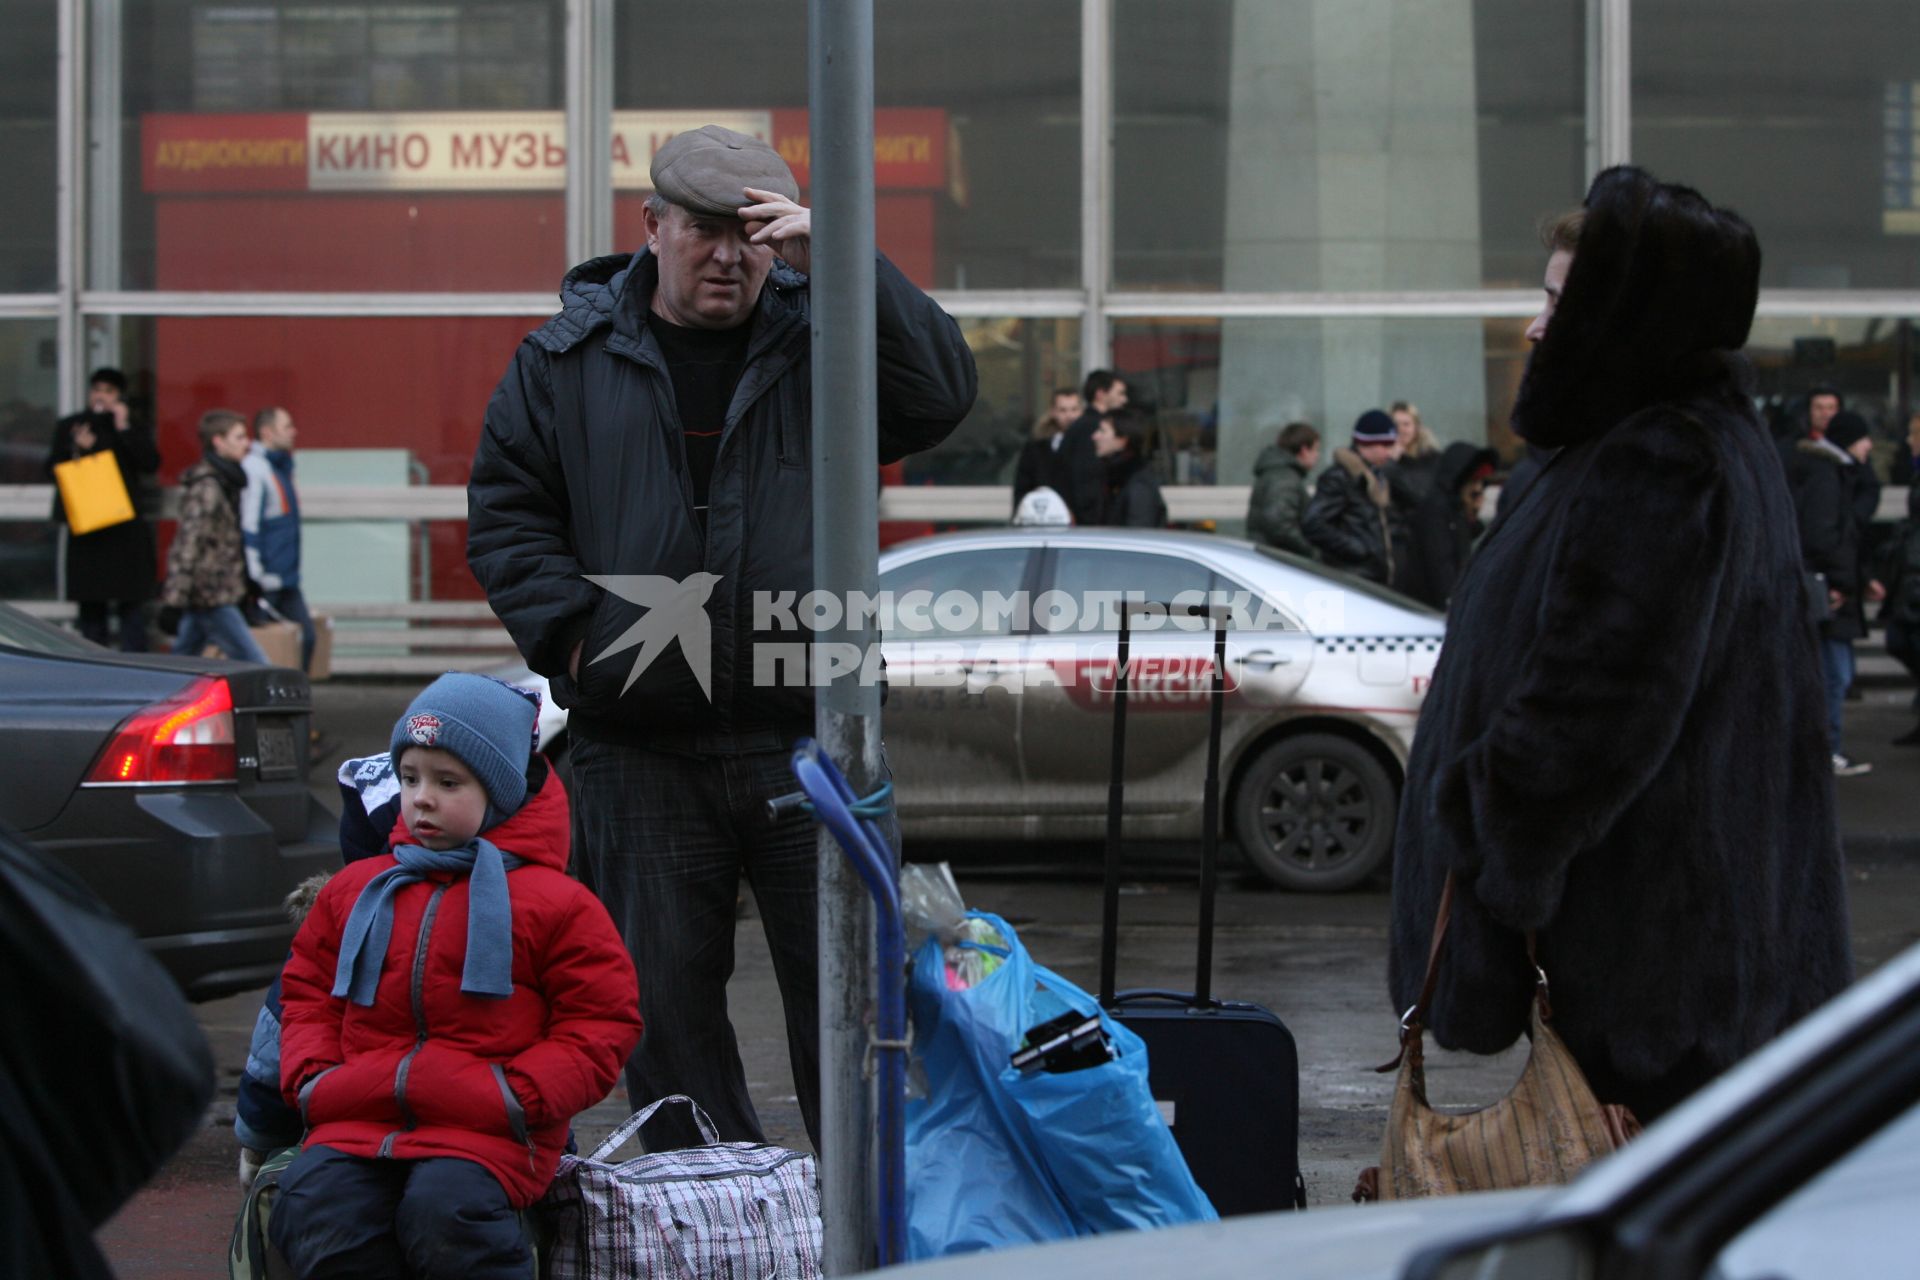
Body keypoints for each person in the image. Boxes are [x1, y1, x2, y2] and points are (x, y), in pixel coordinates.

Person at [467, 124, 976, 1152]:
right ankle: (715, 1233)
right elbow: (508, 513)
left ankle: (856, 1241)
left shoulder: (821, 339)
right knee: (668, 1029)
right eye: (706, 228)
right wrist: (577, 643)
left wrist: (836, 258)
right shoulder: (563, 360)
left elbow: (941, 395)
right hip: (639, 746)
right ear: (652, 227)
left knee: (853, 1017)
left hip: (813, 738)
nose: (731, 254)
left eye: (755, 231)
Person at [1386, 167, 1852, 1127]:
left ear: (1620, 317)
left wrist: (1491, 856)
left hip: (1660, 965)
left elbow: (1594, 710)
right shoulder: (1681, 443)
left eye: (1559, 300)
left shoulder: (1662, 456)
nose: (1536, 325)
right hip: (1689, 951)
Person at [269, 673, 641, 1279]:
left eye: (449, 783)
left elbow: (602, 1021)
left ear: (500, 792)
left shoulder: (555, 903)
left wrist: (519, 1095)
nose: (421, 798)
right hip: (356, 1116)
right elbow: (307, 990)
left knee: (448, 1215)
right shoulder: (357, 891)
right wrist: (315, 1078)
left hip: (488, 1129)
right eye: (409, 778)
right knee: (317, 1210)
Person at [1786, 409, 1882, 775]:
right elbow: (1825, 537)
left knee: (1832, 671)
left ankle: (1825, 749)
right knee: (1834, 673)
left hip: (1828, 586)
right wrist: (1840, 582)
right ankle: (1826, 750)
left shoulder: (1827, 472)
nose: (1870, 445)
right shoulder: (1828, 476)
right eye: (1863, 438)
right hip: (1830, 590)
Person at [46, 367, 160, 651]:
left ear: (120, 397)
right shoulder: (73, 426)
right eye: (97, 389)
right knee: (91, 609)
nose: (101, 396)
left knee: (130, 607)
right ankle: (93, 667)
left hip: (124, 528)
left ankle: (137, 667)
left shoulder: (128, 427)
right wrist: (81, 450)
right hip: (90, 527)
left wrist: (124, 427)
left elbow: (149, 463)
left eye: (109, 391)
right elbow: (53, 468)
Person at [158, 410, 267, 663]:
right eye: (239, 437)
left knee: (182, 661)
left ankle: (160, 696)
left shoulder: (227, 482)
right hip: (212, 595)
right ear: (218, 441)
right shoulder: (208, 487)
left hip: (214, 592)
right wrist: (174, 600)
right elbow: (189, 543)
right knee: (256, 663)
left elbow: (226, 542)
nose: (246, 443)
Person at [241, 406, 315, 672]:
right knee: (265, 652)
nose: (294, 432)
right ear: (267, 432)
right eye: (287, 426)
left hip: (285, 577)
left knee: (305, 639)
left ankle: (296, 707)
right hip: (267, 580)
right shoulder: (256, 469)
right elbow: (249, 525)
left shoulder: (280, 467)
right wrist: (256, 574)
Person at [1301, 409, 1401, 583]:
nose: (1389, 452)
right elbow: (1313, 523)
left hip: (1371, 577)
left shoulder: (1376, 476)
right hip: (1353, 578)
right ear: (1367, 444)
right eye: (1385, 445)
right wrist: (1358, 549)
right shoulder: (1340, 478)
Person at [1395, 441, 1496, 610]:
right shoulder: (1436, 511)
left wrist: (1472, 513)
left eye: (1482, 484)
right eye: (1474, 484)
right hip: (1427, 607)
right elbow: (1441, 568)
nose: (1478, 489)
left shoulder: (1456, 511)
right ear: (1460, 481)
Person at [1054, 369, 1130, 526]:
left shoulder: (1084, 425)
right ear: (1101, 394)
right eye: (1119, 393)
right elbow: (1087, 480)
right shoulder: (1090, 427)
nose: (1124, 400)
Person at [1245, 422, 1320, 556]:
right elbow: (1280, 525)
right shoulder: (1284, 478)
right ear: (1304, 450)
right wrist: (1311, 551)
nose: (1317, 455)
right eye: (1315, 449)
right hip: (1278, 561)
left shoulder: (1278, 473)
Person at [1012, 387, 1082, 512]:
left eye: (1074, 409)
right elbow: (1023, 485)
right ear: (1053, 412)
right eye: (1063, 410)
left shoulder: (1091, 442)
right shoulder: (1036, 446)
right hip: (1042, 515)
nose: (1069, 416)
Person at [1093, 409, 1166, 527]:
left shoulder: (1138, 483)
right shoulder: (1114, 475)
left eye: (1103, 431)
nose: (1095, 436)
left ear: (1122, 440)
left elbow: (1138, 533)